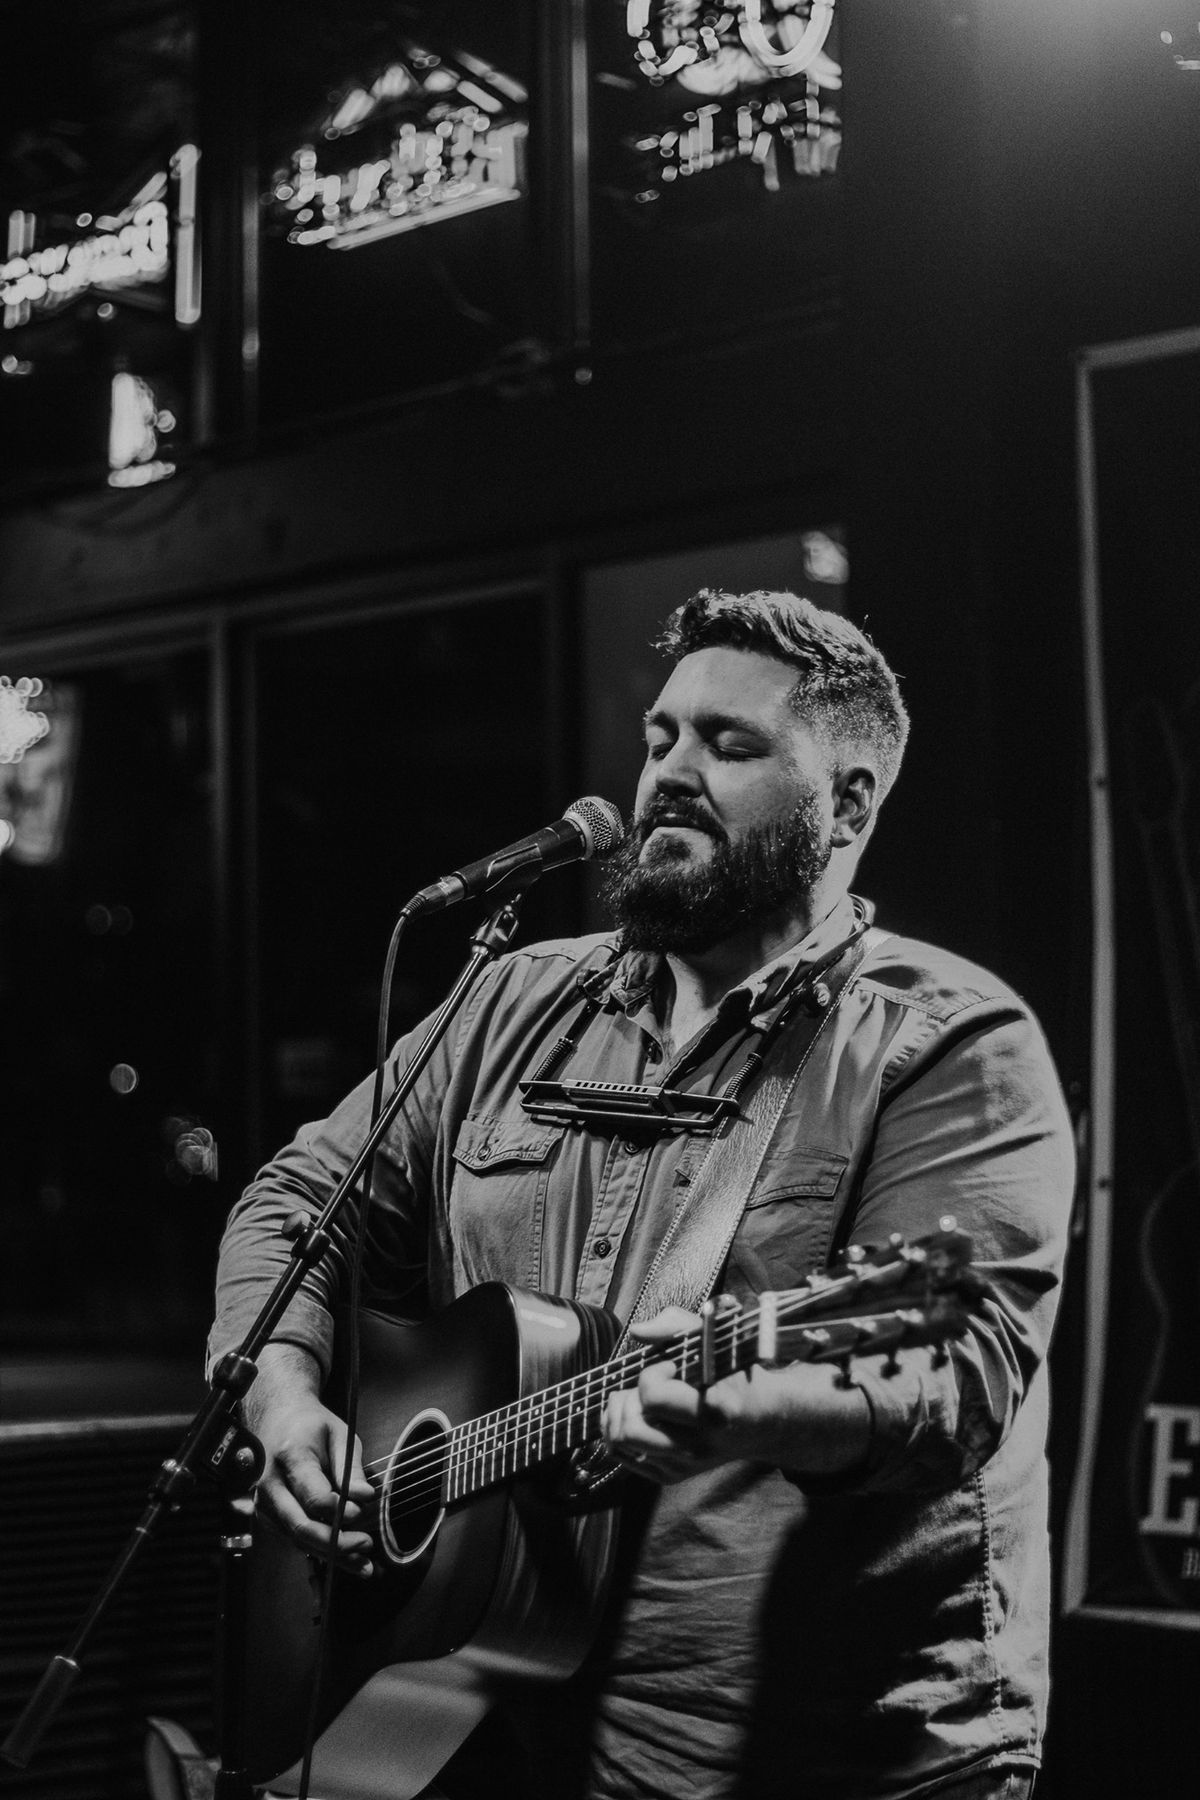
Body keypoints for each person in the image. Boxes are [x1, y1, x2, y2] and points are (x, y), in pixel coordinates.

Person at [210, 589, 1074, 1800]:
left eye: (730, 745)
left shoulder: (949, 1040)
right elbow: (303, 1200)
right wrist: (290, 1406)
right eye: (662, 736)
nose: (670, 772)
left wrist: (754, 1411)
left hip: (808, 1748)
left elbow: (957, 1375)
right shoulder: (515, 1001)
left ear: (853, 804)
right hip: (486, 1710)